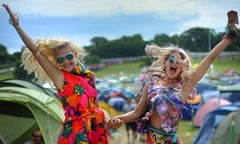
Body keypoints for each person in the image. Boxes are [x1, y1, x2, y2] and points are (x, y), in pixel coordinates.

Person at [107, 14, 239, 143]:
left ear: (183, 67)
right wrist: (118, 119)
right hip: (151, 139)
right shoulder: (152, 85)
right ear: (165, 62)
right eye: (171, 59)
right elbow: (137, 113)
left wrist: (229, 37)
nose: (174, 62)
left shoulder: (185, 86)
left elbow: (210, 58)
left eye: (179, 60)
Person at [2, 4, 109, 144]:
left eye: (69, 56)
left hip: (97, 128)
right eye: (60, 59)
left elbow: (96, 105)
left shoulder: (89, 76)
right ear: (56, 62)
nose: (66, 62)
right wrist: (17, 25)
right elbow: (36, 52)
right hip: (77, 134)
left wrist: (106, 119)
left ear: (76, 55)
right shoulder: (60, 78)